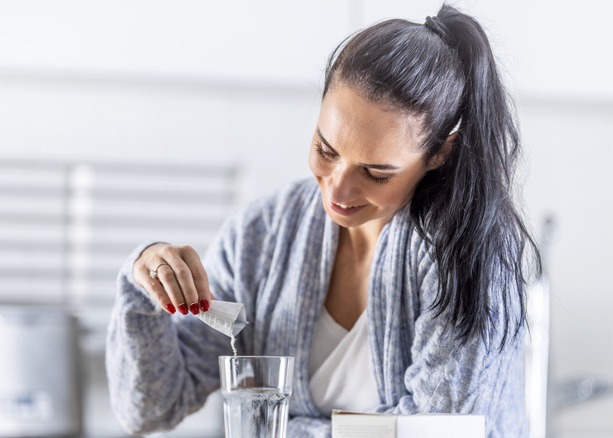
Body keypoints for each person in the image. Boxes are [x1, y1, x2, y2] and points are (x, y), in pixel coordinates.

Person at [106, 4, 540, 438]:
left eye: (376, 173)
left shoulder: (468, 251)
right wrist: (143, 284)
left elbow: (438, 429)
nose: (336, 191)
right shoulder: (261, 235)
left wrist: (286, 430)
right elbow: (151, 410)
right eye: (326, 149)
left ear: (440, 152)